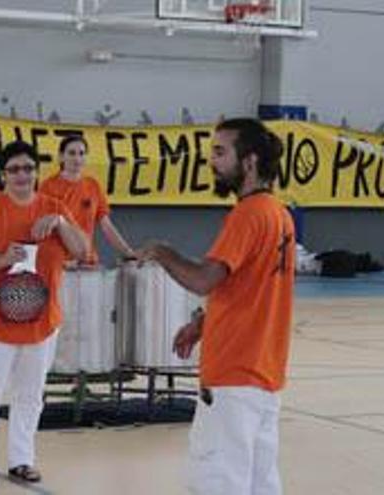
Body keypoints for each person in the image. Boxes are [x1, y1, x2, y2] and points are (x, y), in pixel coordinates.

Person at [138, 118, 294, 495]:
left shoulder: (248, 214)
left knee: (216, 478)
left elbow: (203, 278)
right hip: (263, 375)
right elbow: (252, 289)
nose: (212, 161)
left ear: (250, 161)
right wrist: (205, 321)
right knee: (260, 481)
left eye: (221, 152)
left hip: (233, 374)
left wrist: (161, 251)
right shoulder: (279, 214)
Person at [0, 140, 88, 488]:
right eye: (14, 169)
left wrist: (60, 222)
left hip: (42, 324)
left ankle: (21, 459)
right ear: (2, 174)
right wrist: (2, 259)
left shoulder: (53, 207)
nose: (22, 175)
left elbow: (81, 251)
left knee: (31, 395)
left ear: (36, 172)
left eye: (28, 168)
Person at [39, 135, 134, 265]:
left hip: (87, 263)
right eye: (72, 153)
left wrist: (128, 253)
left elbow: (106, 226)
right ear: (61, 157)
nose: (77, 159)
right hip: (59, 265)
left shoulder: (93, 185)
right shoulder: (47, 186)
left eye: (81, 153)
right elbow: (42, 228)